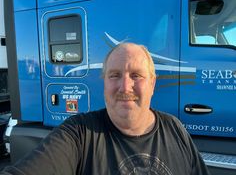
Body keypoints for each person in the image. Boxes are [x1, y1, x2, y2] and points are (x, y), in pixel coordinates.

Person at [1, 43, 210, 175]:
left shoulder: (174, 129)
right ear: (104, 83)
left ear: (153, 84)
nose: (125, 86)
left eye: (136, 75)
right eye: (114, 75)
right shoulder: (79, 134)